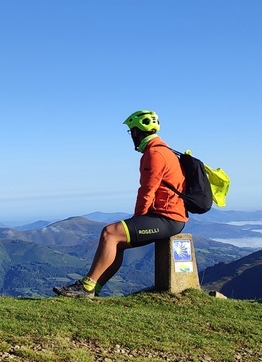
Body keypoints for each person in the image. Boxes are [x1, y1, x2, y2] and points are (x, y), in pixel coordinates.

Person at [53, 110, 188, 298]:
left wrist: (138, 219)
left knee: (110, 233)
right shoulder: (165, 151)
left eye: (131, 131)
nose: (131, 136)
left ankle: (87, 287)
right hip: (170, 216)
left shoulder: (154, 154)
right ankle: (93, 290)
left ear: (137, 131)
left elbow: (147, 190)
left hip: (167, 218)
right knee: (118, 242)